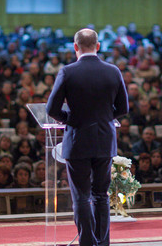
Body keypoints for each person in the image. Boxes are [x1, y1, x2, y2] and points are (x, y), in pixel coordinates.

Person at [46, 28, 129, 246]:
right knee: (101, 195)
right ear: (98, 46)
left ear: (75, 47)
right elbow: (123, 107)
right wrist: (102, 118)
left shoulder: (68, 71)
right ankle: (102, 243)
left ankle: (87, 242)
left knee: (81, 196)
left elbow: (51, 109)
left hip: (78, 140)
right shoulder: (113, 71)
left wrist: (70, 118)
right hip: (104, 140)